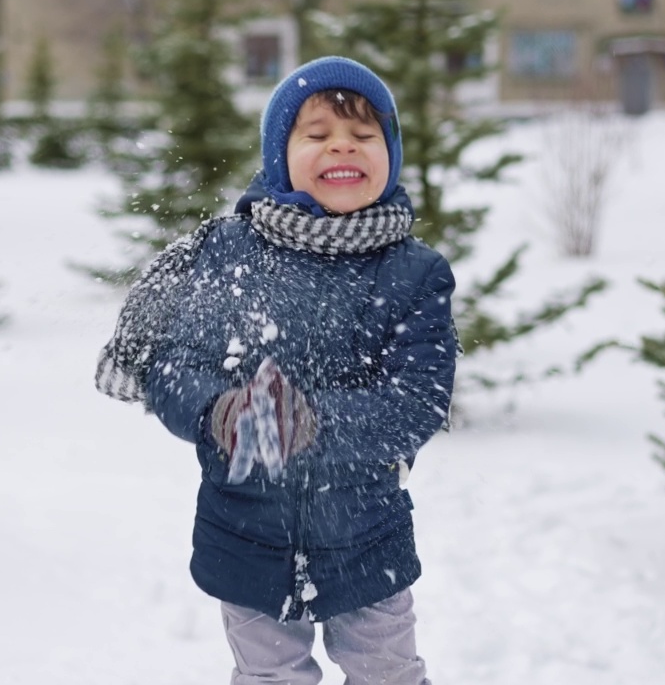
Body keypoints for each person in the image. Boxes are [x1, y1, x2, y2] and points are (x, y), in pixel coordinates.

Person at [96, 55, 458, 685]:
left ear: (390, 155)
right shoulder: (230, 252)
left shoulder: (414, 272)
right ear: (278, 155)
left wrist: (314, 424)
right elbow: (176, 364)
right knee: (269, 677)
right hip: (244, 531)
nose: (341, 145)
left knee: (387, 671)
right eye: (316, 135)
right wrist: (220, 411)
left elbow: (418, 401)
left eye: (363, 135)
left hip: (364, 533)